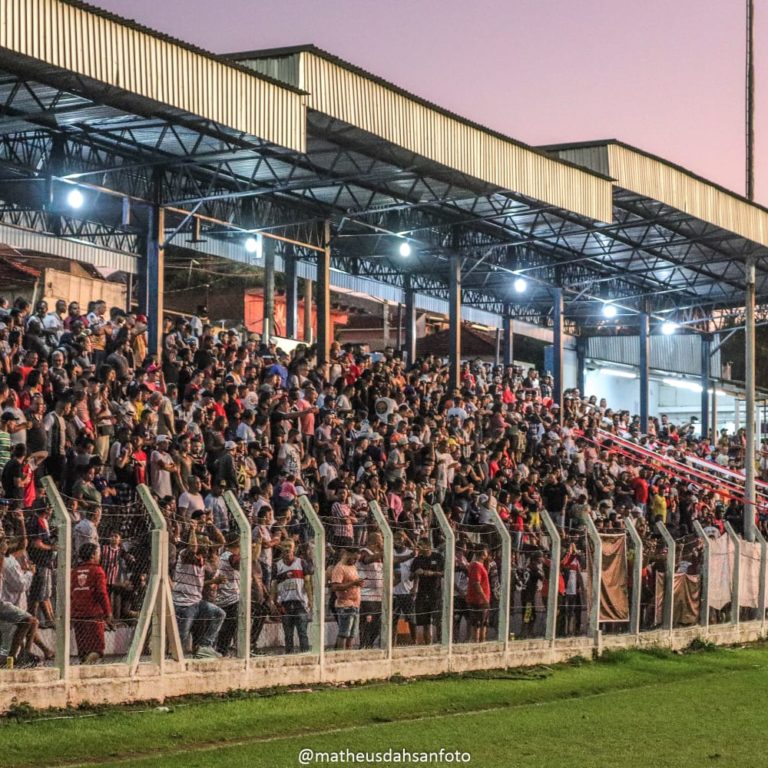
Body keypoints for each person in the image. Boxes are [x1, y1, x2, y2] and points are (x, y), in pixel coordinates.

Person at [171, 523, 226, 658]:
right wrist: (192, 530)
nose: (207, 546)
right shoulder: (185, 555)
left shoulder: (202, 561)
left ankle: (205, 645)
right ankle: (173, 661)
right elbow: (192, 548)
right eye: (204, 543)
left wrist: (214, 582)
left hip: (196, 602)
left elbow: (200, 585)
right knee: (181, 638)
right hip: (184, 604)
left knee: (219, 614)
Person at [70, 542, 113, 664]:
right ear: (93, 555)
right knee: (98, 650)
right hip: (93, 614)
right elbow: (101, 593)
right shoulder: (97, 571)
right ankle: (85, 668)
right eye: (98, 553)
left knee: (83, 650)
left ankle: (83, 667)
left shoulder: (75, 571)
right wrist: (108, 612)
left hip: (77, 614)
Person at [271, 540, 313, 654]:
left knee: (302, 633)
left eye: (289, 546)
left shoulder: (302, 563)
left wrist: (311, 599)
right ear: (281, 547)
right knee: (288, 634)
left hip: (300, 602)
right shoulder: (277, 565)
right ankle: (289, 655)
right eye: (284, 546)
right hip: (285, 603)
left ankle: (305, 655)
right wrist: (273, 602)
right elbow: (273, 585)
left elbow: (308, 583)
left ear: (294, 548)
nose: (287, 548)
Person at [410, 538, 444, 645]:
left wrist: (431, 573)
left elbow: (444, 572)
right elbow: (410, 577)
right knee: (424, 622)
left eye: (420, 545)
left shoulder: (438, 557)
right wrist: (416, 573)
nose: (418, 547)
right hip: (422, 594)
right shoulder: (417, 560)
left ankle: (440, 642)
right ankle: (426, 644)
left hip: (435, 593)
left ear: (427, 546)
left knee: (438, 620)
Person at [330, 546, 363, 650]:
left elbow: (352, 582)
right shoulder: (339, 568)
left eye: (357, 559)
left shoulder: (352, 566)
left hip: (355, 604)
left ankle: (347, 654)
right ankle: (340, 654)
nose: (354, 561)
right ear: (346, 554)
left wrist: (358, 583)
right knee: (344, 633)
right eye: (353, 558)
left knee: (351, 635)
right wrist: (353, 583)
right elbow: (335, 587)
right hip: (345, 604)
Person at [466, 545, 491, 643]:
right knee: (478, 624)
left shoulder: (480, 566)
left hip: (480, 599)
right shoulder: (476, 566)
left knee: (483, 623)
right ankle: (477, 643)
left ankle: (481, 643)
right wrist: (485, 598)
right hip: (479, 600)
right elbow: (476, 584)